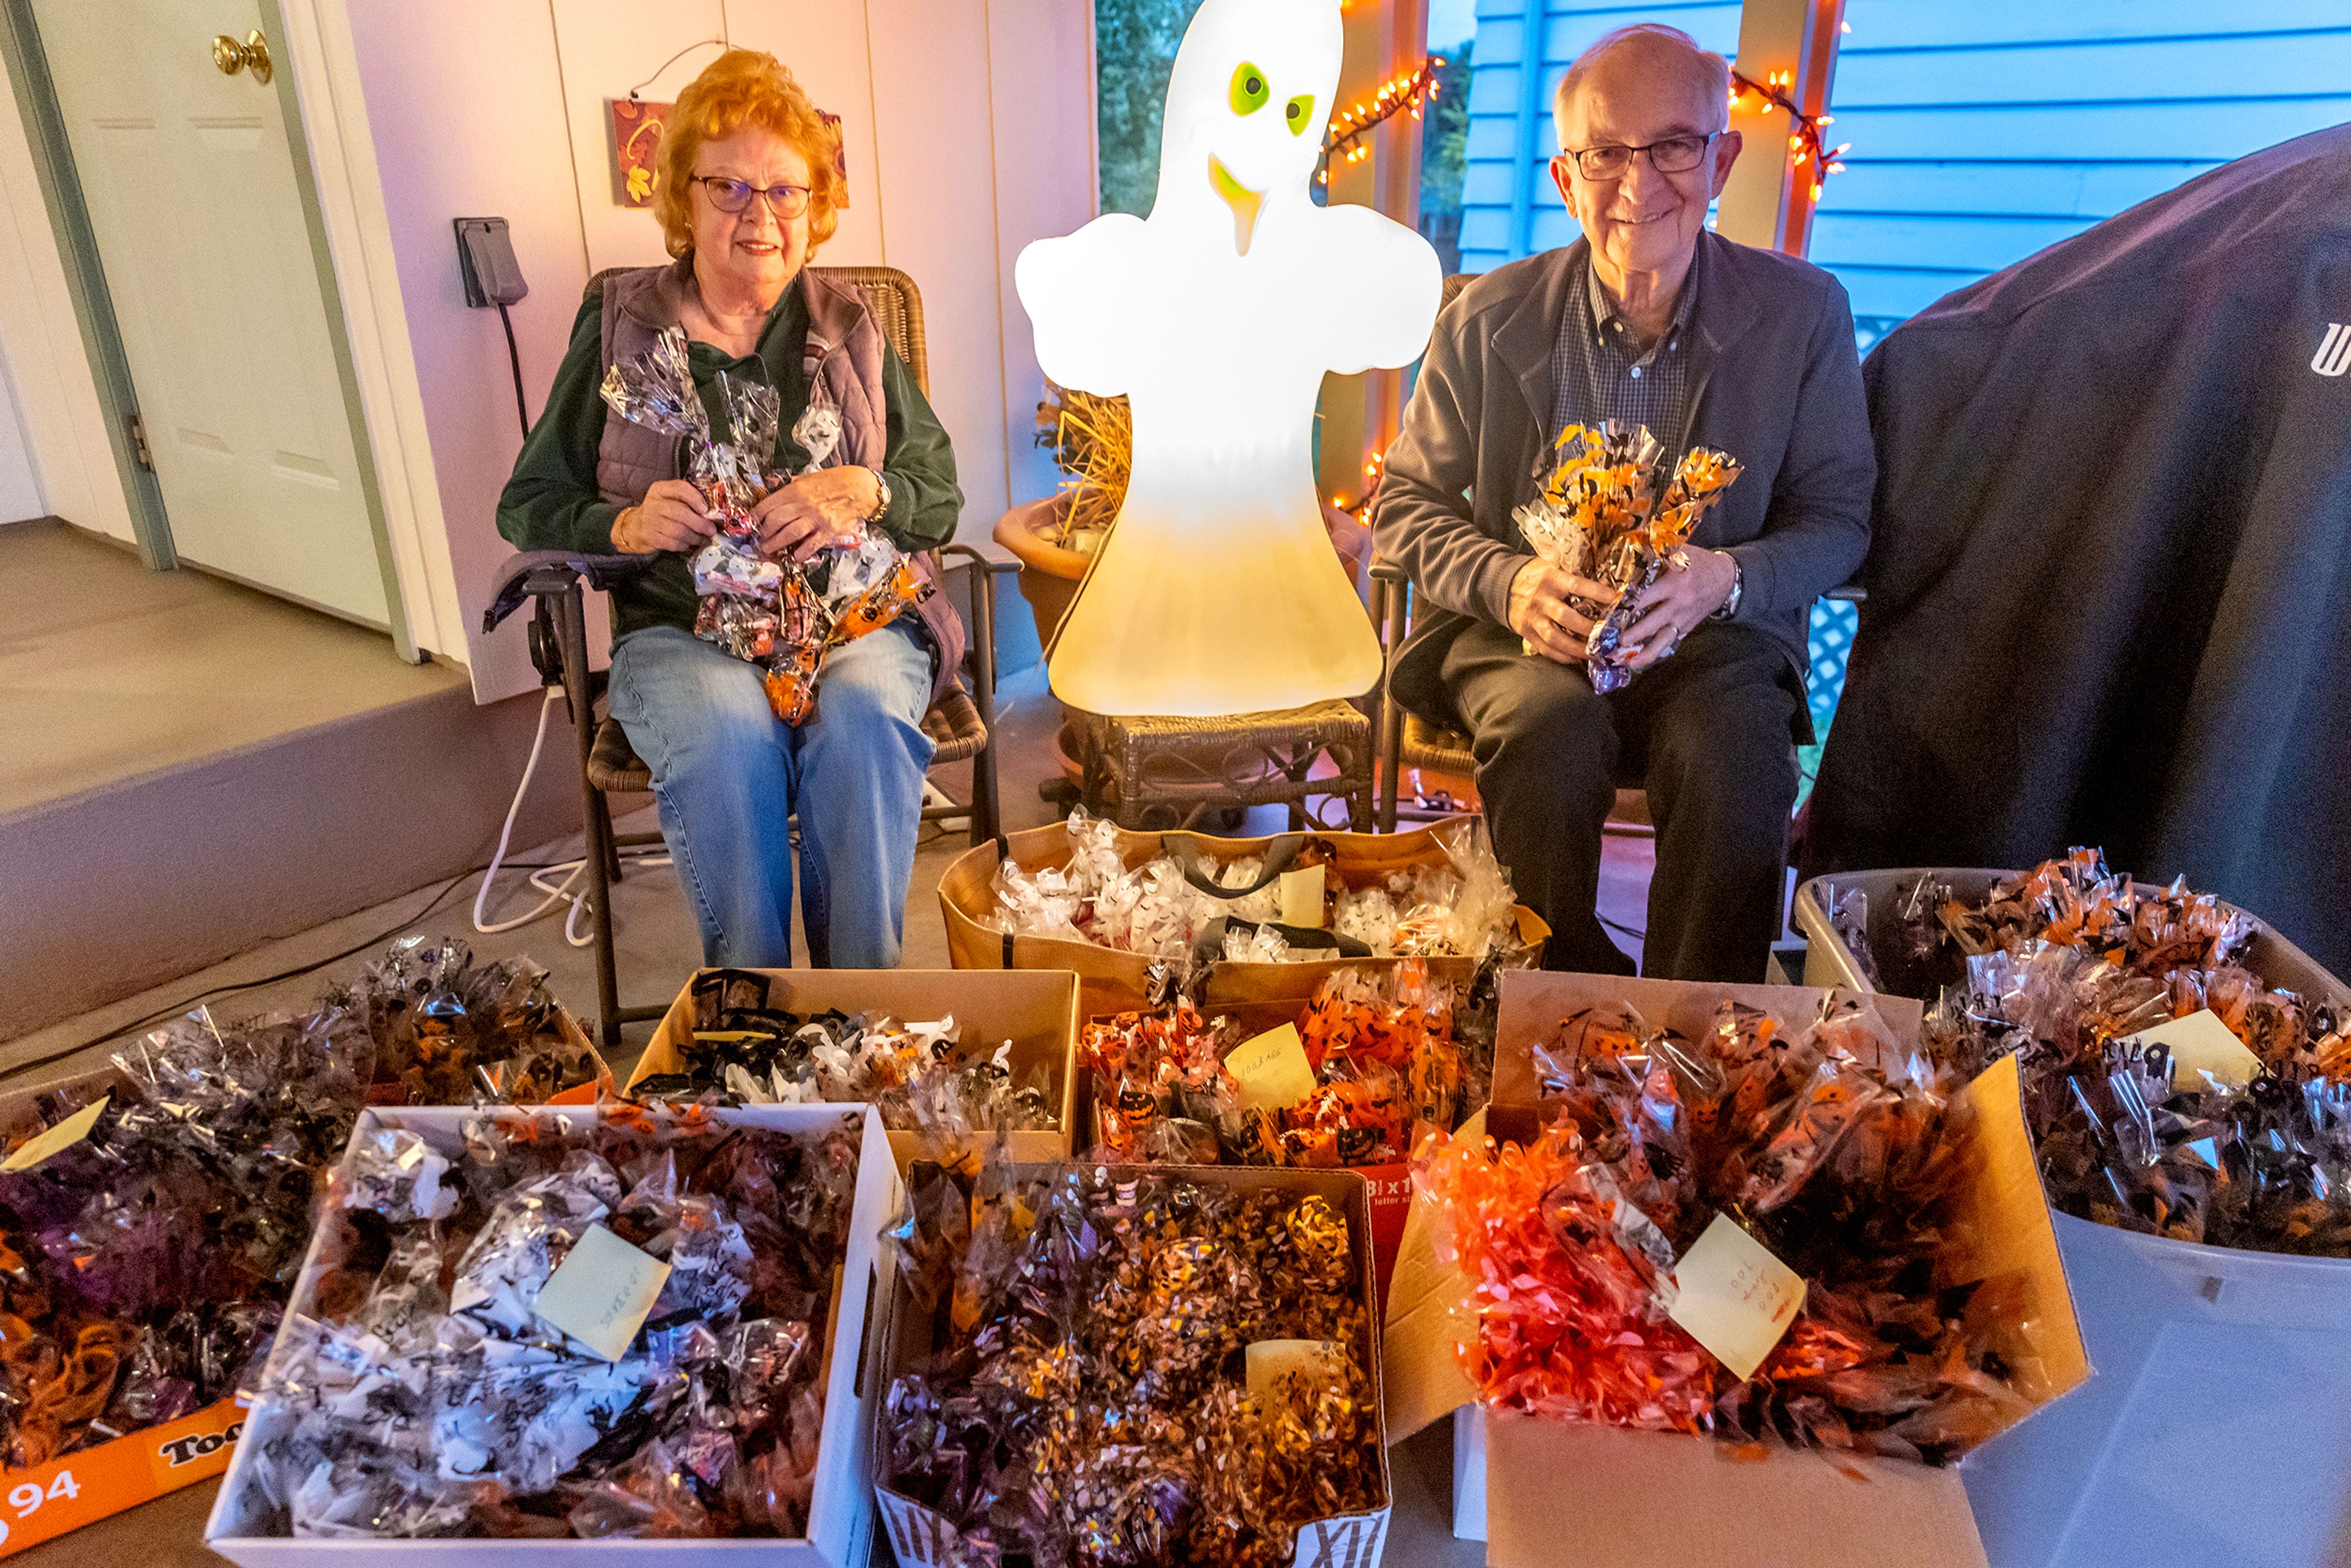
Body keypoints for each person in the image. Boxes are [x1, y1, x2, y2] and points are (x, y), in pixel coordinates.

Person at [1372, 23, 1872, 981]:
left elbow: (1840, 520)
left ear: (1721, 158)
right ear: (1566, 179)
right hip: (1529, 641)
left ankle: (1697, 1032)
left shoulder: (1805, 316)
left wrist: (1728, 575)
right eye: (1605, 153)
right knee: (1545, 736)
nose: (1638, 186)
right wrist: (1509, 582)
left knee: (1738, 764)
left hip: (1713, 644)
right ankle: (1551, 1003)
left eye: (1674, 145)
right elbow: (1406, 501)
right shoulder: (1484, 316)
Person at [498, 48, 964, 970]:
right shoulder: (620, 323)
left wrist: (866, 489)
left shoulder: (851, 327)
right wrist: (620, 525)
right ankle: (751, 1022)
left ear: (814, 208)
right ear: (686, 196)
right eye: (732, 188)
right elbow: (530, 502)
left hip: (852, 619)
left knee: (867, 716)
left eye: (787, 192)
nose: (763, 215)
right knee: (726, 738)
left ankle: (860, 1018)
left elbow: (938, 492)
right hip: (681, 628)